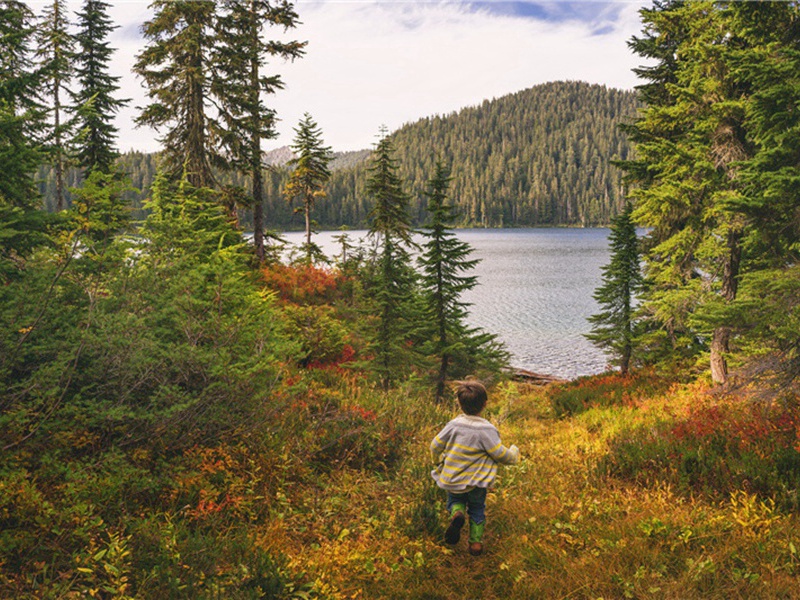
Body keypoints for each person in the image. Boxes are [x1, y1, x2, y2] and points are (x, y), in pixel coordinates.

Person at [430, 380, 520, 556]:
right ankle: (476, 542)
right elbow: (499, 454)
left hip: (454, 478)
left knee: (455, 501)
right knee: (477, 508)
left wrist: (437, 461)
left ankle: (457, 513)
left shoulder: (453, 425)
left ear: (459, 403)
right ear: (485, 404)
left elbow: (435, 446)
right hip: (477, 482)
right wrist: (514, 454)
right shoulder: (487, 429)